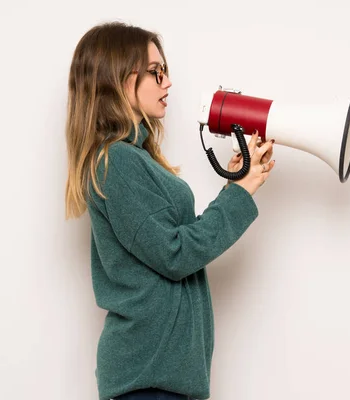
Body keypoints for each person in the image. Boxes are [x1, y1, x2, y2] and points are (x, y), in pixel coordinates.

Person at [64, 21, 275, 400]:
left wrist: (236, 183)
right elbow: (175, 254)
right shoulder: (117, 162)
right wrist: (241, 192)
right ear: (119, 78)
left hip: (159, 380)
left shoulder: (134, 160)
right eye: (156, 72)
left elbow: (172, 242)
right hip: (149, 381)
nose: (168, 82)